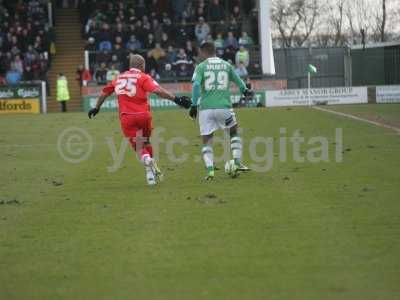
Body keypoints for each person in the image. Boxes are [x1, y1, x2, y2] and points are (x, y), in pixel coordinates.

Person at [88, 54, 192, 186]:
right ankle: (150, 175)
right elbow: (158, 91)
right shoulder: (144, 77)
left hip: (127, 117)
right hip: (144, 116)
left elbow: (104, 93)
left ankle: (147, 160)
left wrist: (96, 108)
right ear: (142, 65)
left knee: (139, 147)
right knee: (146, 142)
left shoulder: (119, 78)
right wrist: (177, 99)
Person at [189, 42, 252, 180]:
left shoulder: (201, 67)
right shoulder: (226, 65)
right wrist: (245, 90)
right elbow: (238, 80)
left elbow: (196, 85)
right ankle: (237, 162)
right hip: (224, 107)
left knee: (207, 140)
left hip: (205, 109)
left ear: (205, 52)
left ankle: (210, 171)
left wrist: (194, 105)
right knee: (233, 131)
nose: (200, 55)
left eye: (200, 53)